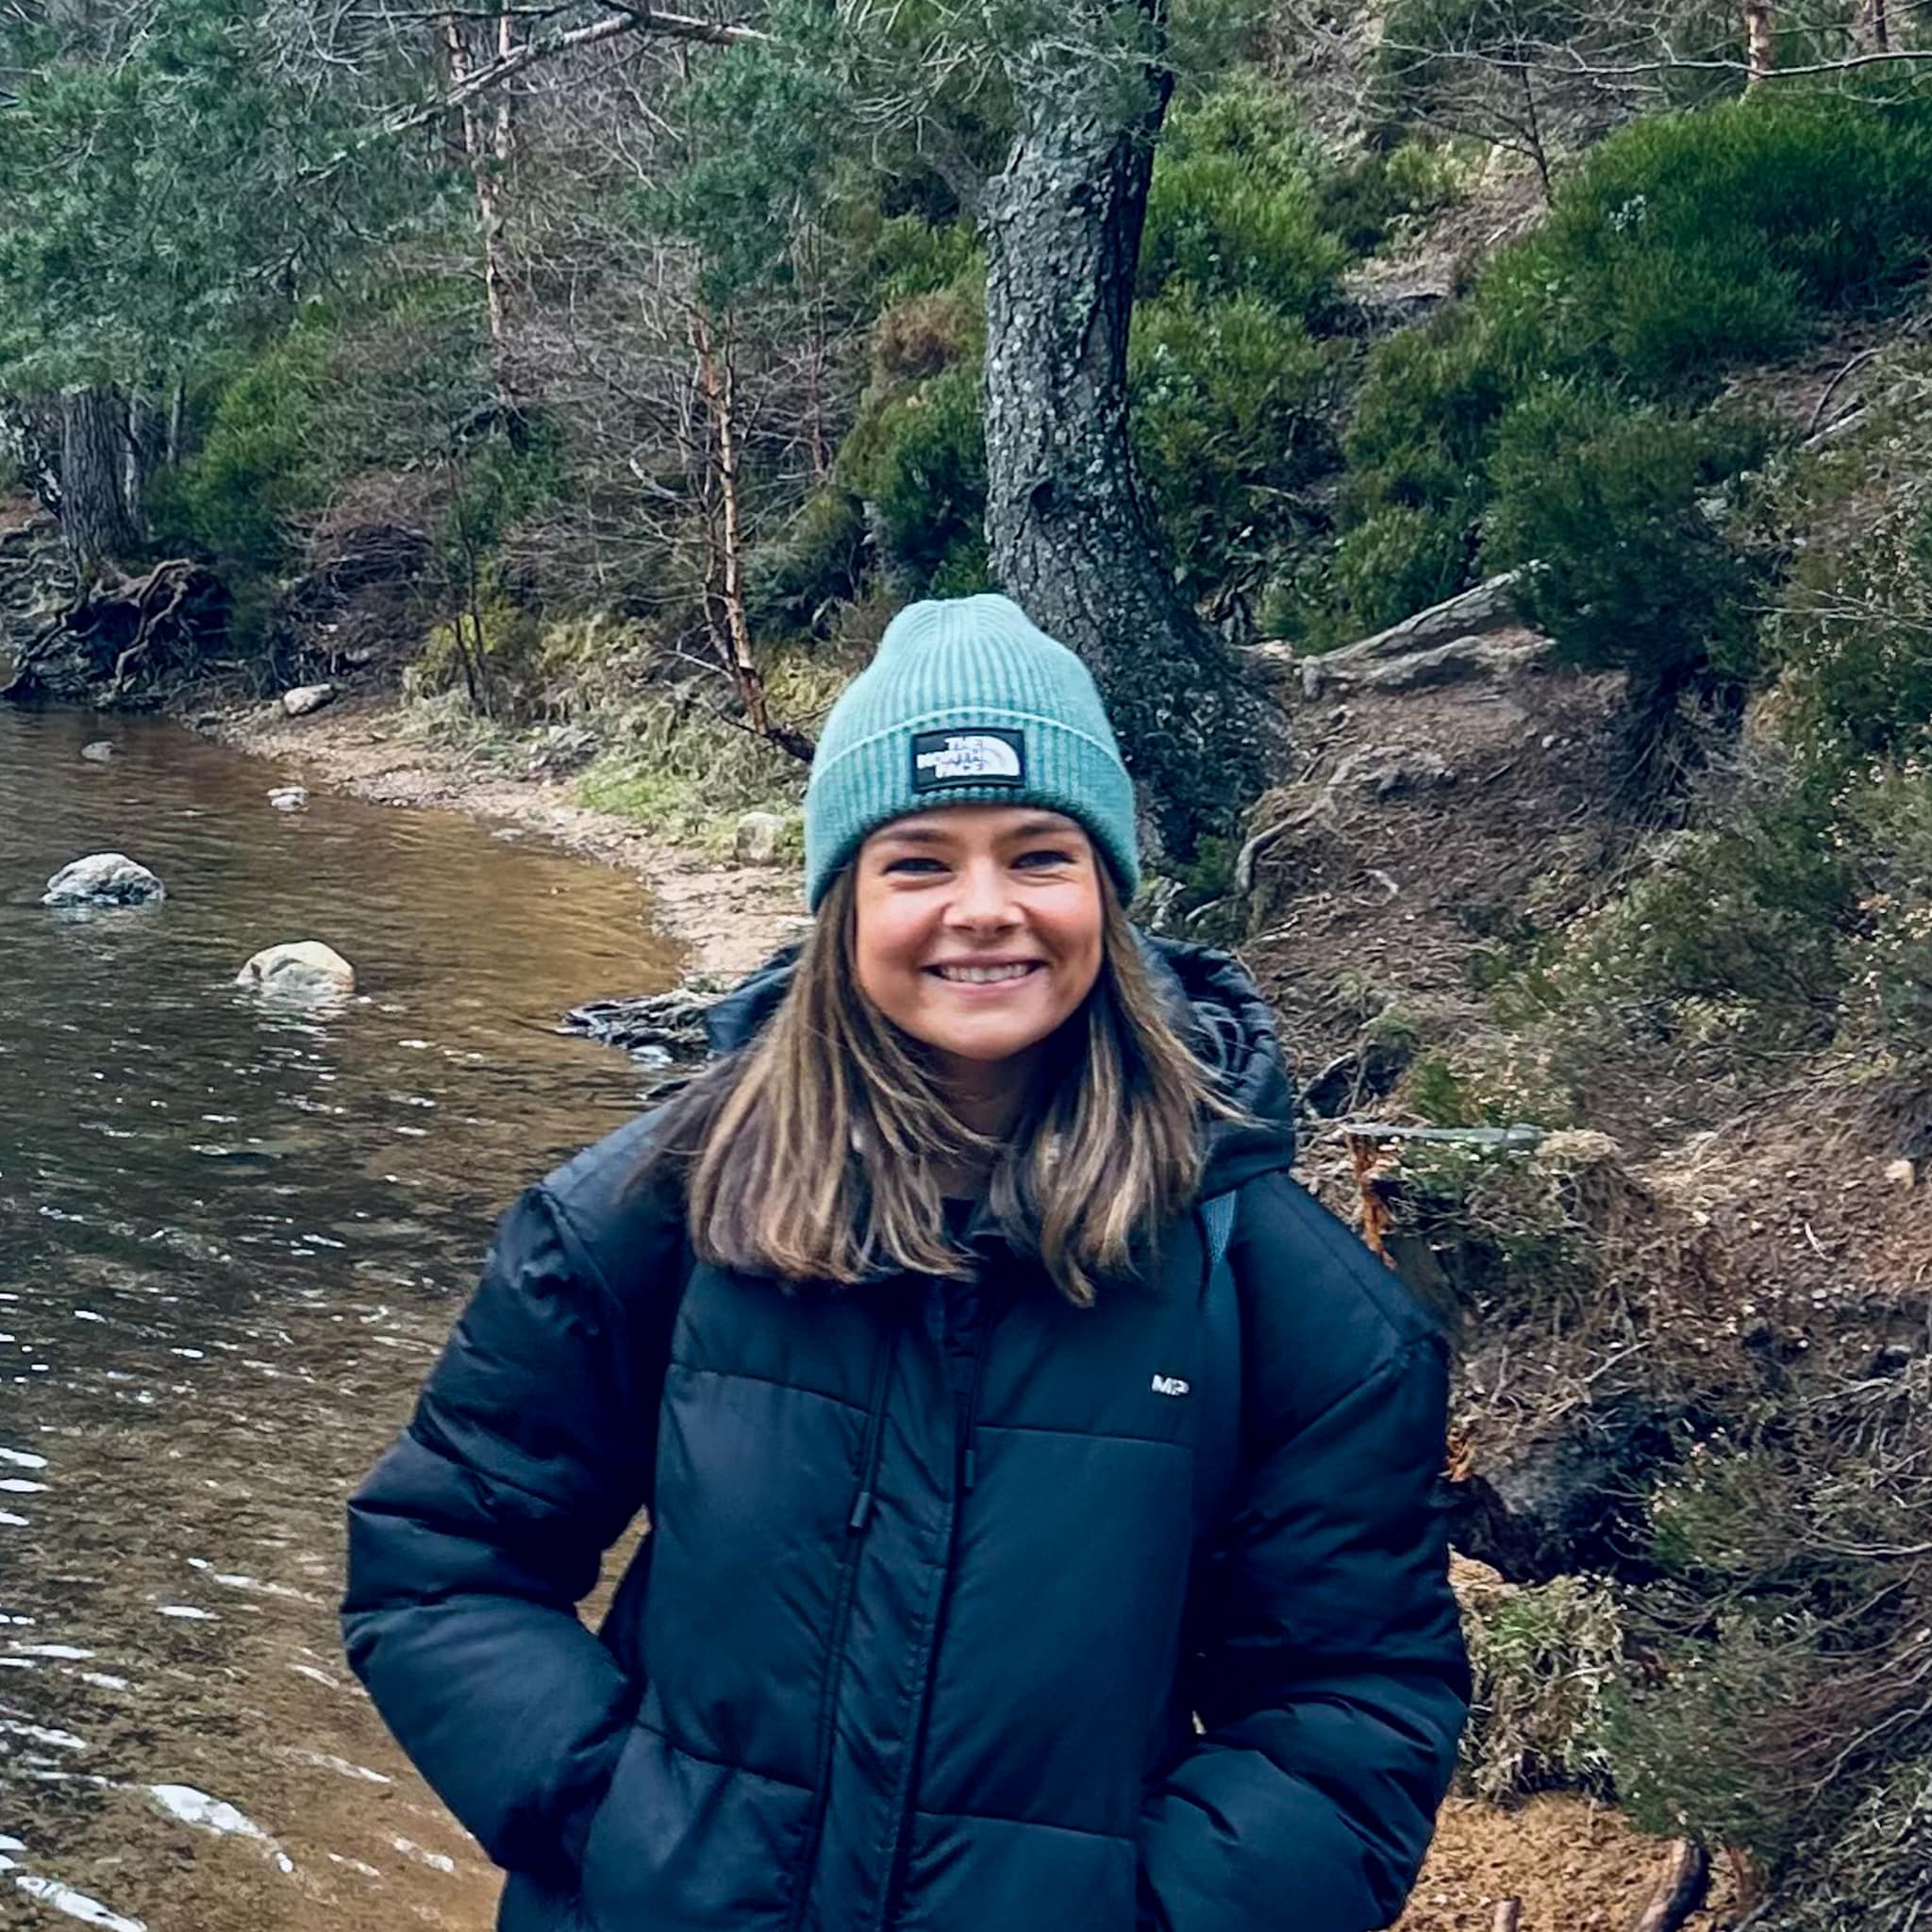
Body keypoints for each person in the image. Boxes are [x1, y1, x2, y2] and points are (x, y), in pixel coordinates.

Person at [341, 593, 1471, 1932]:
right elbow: (442, 1558)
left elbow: (1353, 1705)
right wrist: (621, 1825)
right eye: (919, 861)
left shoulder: (1283, 1294)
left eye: (1039, 855)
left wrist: (1152, 1915)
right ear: (844, 900)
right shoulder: (649, 1212)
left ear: (1106, 890)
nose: (984, 911)